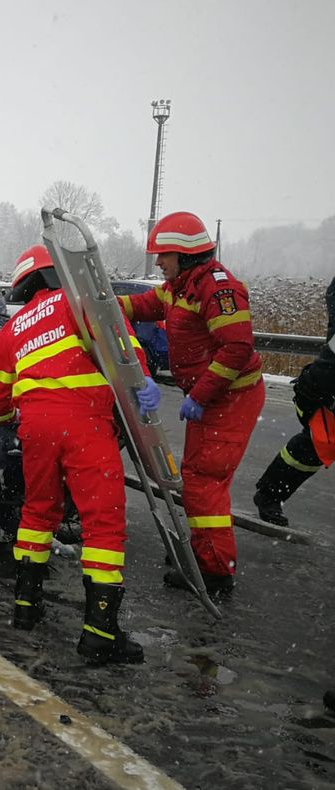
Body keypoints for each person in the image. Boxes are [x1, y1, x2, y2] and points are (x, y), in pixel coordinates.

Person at [0, 244, 158, 666]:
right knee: (103, 523)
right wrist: (144, 384)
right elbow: (125, 352)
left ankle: (26, 606)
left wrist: (14, 416)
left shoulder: (14, 326)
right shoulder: (82, 302)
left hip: (37, 428)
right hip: (86, 421)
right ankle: (100, 631)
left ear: (25, 283)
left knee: (39, 511)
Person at [118, 211, 265, 595]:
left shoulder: (218, 290)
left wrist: (200, 395)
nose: (158, 263)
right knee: (200, 477)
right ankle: (204, 554)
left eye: (163, 255)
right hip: (214, 397)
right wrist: (103, 304)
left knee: (204, 480)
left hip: (230, 397)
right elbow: (143, 305)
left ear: (184, 254)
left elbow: (236, 347)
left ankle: (215, 571)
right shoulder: (180, 287)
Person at [253, 274, 335, 525]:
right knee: (316, 444)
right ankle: (269, 494)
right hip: (324, 383)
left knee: (317, 443)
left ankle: (270, 494)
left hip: (323, 380)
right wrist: (315, 387)